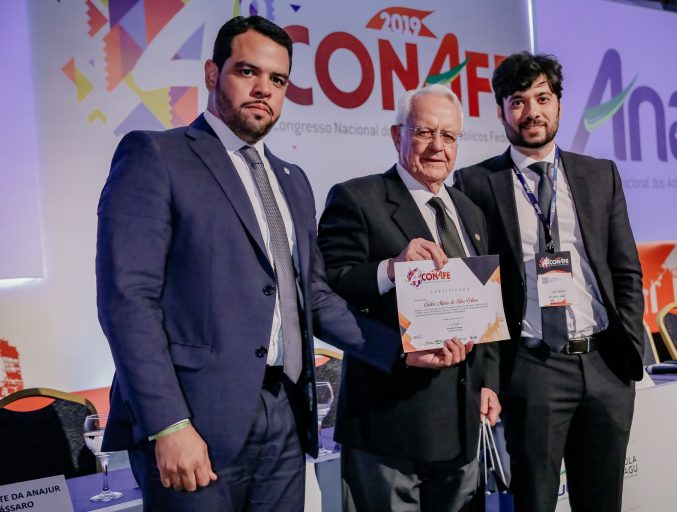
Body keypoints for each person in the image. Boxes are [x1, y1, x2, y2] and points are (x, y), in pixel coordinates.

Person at [96, 16, 468, 511]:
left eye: (278, 79)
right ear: (211, 74)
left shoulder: (292, 179)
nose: (264, 89)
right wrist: (168, 424)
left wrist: (403, 349)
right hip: (196, 421)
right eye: (247, 71)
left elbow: (314, 298)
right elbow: (128, 301)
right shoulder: (157, 155)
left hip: (286, 415)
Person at [453, 52, 644, 512]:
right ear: (500, 111)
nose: (532, 111)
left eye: (542, 98)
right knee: (535, 502)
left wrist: (629, 349)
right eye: (517, 101)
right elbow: (477, 289)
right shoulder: (475, 183)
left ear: (559, 103)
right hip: (533, 369)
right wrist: (491, 376)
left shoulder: (599, 174)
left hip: (603, 365)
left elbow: (626, 270)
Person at [317, 84, 502, 512]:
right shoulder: (357, 198)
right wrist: (391, 269)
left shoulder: (469, 211)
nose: (438, 146)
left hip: (462, 426)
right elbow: (327, 286)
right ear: (396, 135)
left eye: (449, 135)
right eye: (424, 132)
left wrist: (488, 381)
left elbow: (485, 304)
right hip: (388, 424)